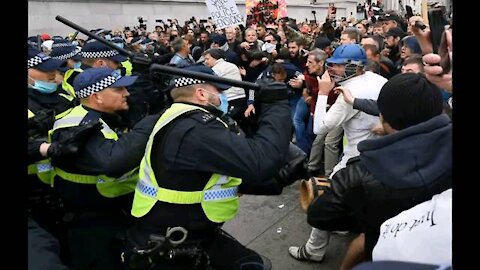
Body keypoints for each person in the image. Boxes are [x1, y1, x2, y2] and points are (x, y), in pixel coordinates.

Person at [124, 65, 293, 270]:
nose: (222, 96)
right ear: (202, 94)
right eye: (218, 91)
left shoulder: (177, 118)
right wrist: (276, 105)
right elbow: (261, 161)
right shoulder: (196, 129)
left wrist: (277, 180)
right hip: (174, 241)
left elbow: (211, 176)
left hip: (182, 229)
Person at [300, 73, 451, 267]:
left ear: (382, 116)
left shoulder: (357, 176)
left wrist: (361, 214)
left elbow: (319, 215)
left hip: (381, 254)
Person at [49, 67, 160, 270]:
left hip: (114, 214)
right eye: (118, 90)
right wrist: (149, 125)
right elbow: (112, 162)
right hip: (91, 226)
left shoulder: (104, 116)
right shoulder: (76, 125)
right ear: (96, 96)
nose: (126, 93)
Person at [289, 44, 387, 262]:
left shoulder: (348, 94)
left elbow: (319, 128)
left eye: (339, 66)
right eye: (332, 65)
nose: (333, 70)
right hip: (382, 154)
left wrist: (323, 94)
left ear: (354, 67)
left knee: (325, 199)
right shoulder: (378, 80)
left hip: (356, 157)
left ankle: (314, 249)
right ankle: (343, 226)